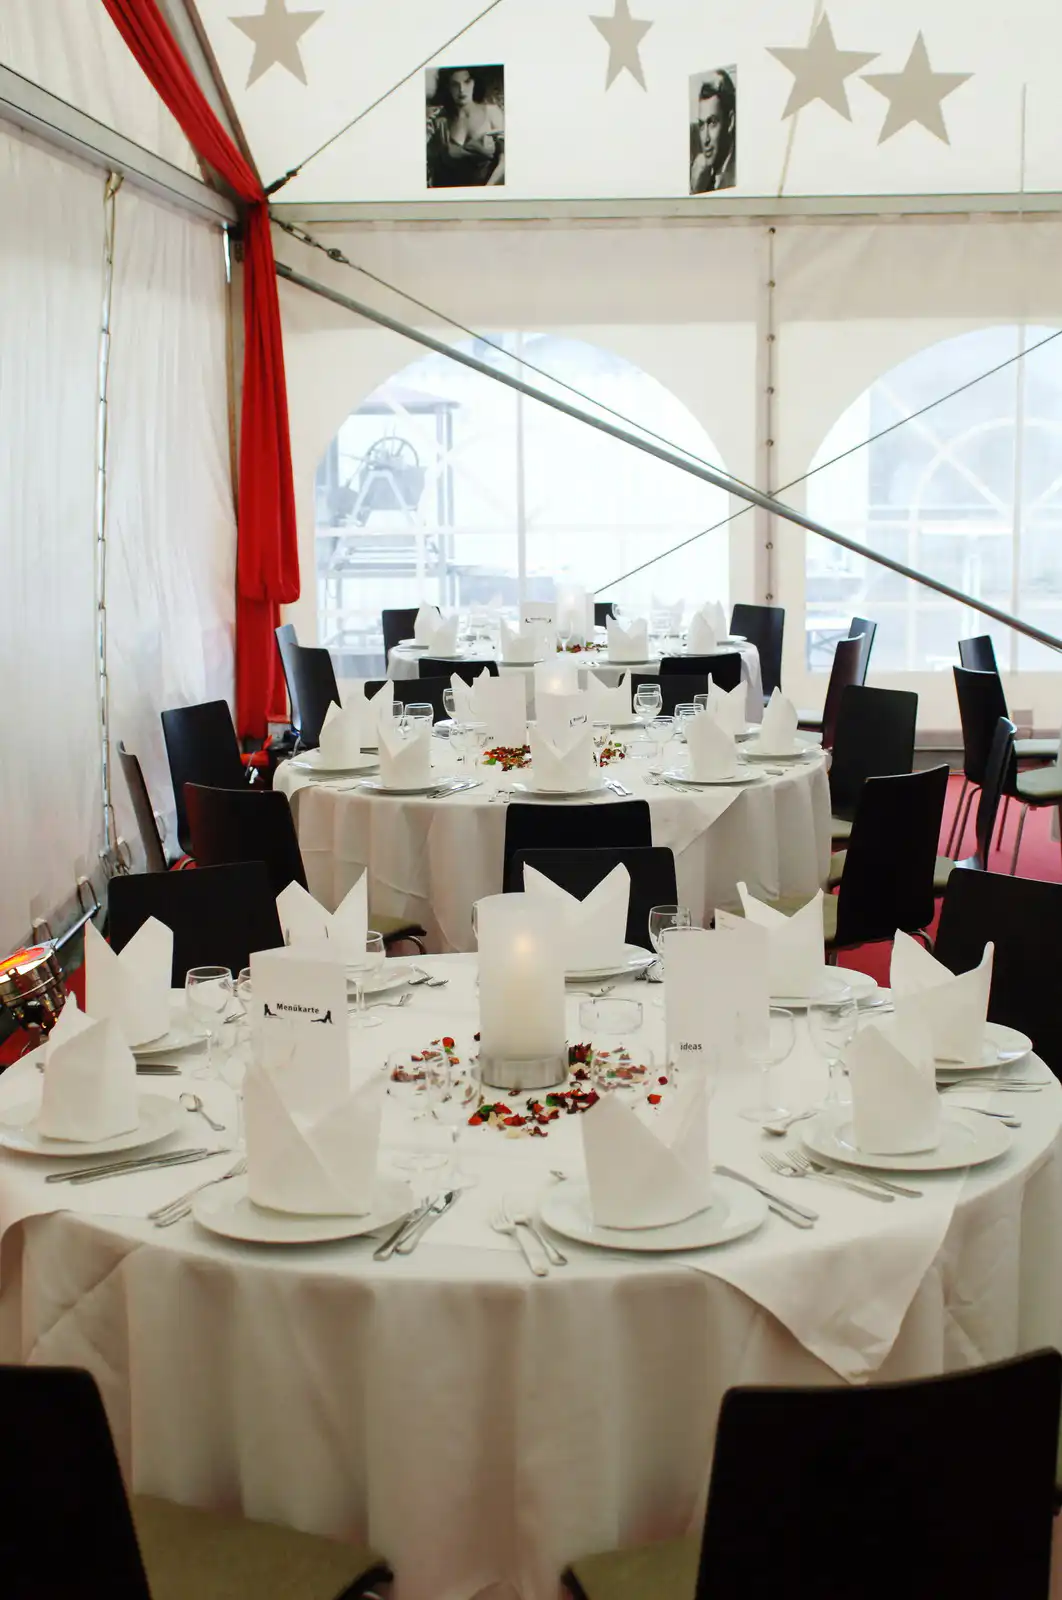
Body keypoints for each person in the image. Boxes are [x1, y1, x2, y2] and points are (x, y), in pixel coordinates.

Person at [427, 67, 505, 189]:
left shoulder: (492, 112)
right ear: (448, 87)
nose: (461, 89)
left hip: (489, 190)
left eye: (467, 82)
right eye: (455, 85)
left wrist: (487, 190)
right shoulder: (441, 121)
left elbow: (505, 159)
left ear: (474, 82)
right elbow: (430, 165)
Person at [690, 70, 736, 193]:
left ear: (730, 122)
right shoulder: (700, 172)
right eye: (701, 125)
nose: (705, 139)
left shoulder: (737, 174)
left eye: (712, 123)